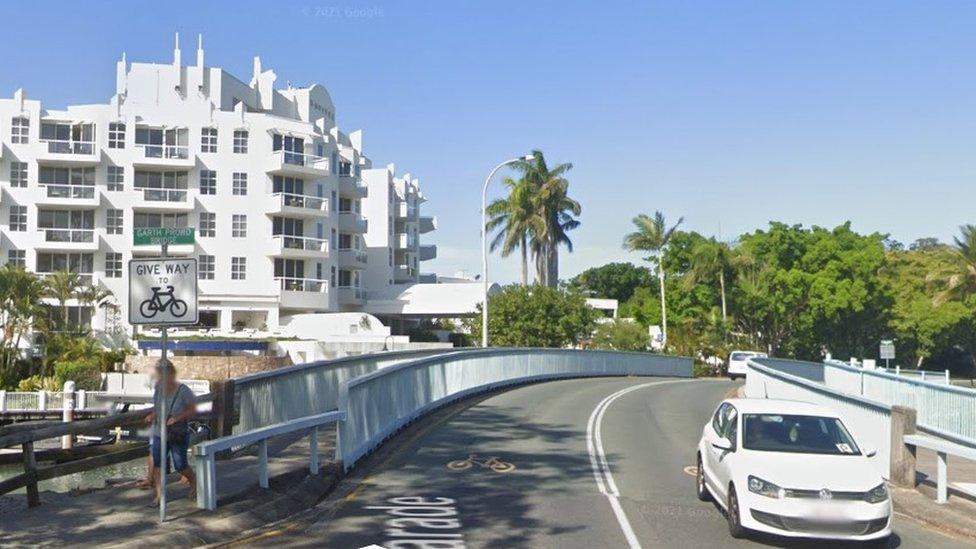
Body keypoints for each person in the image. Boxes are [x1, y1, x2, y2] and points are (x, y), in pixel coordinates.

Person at [144, 359, 197, 504]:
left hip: (176, 432)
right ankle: (159, 495)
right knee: (157, 464)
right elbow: (158, 407)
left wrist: (178, 417)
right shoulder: (158, 388)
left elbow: (192, 409)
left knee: (180, 465)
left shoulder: (183, 390)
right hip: (159, 432)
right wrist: (152, 415)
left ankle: (194, 481)